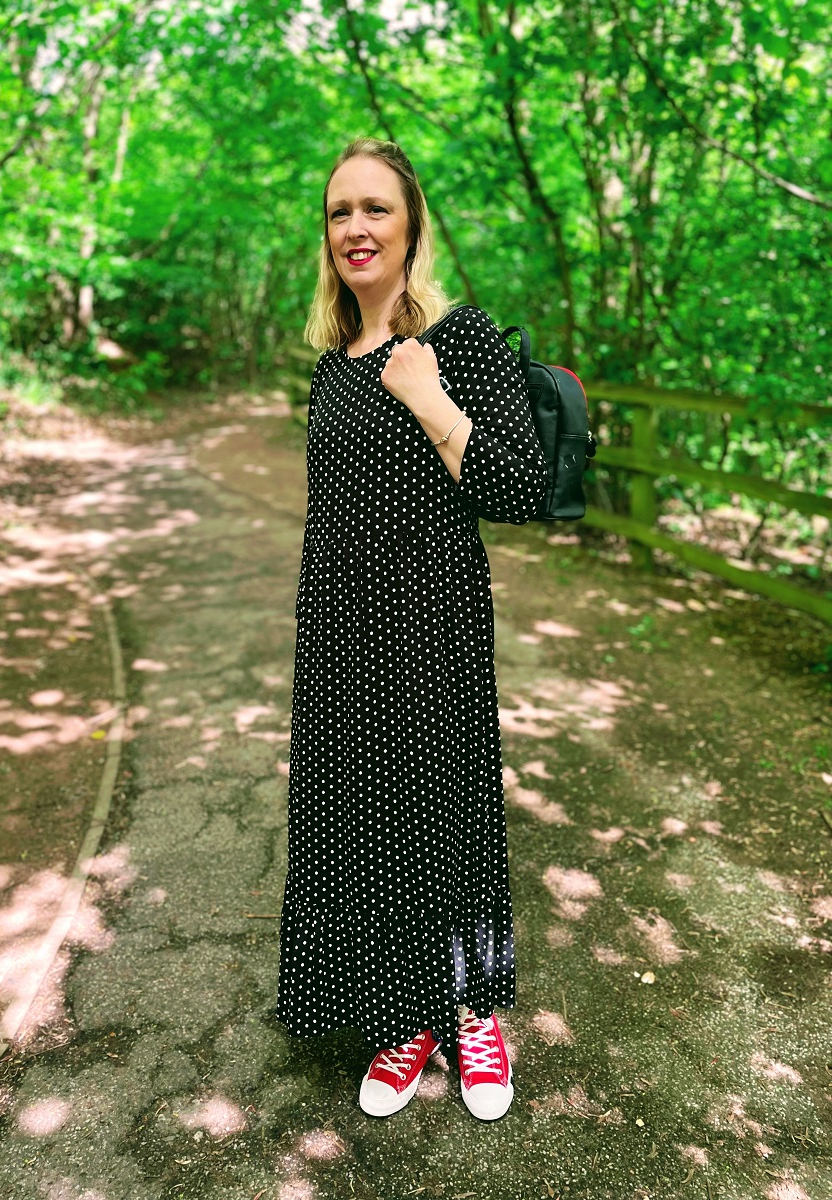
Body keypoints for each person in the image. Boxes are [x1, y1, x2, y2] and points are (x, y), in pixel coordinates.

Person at [276, 137, 548, 1122]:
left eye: (375, 208)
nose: (355, 227)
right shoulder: (329, 365)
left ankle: (474, 1009)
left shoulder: (461, 340)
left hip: (435, 625)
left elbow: (521, 488)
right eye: (339, 210)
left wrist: (432, 399)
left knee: (446, 810)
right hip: (342, 635)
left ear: (412, 225)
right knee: (366, 816)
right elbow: (328, 512)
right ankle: (402, 1019)